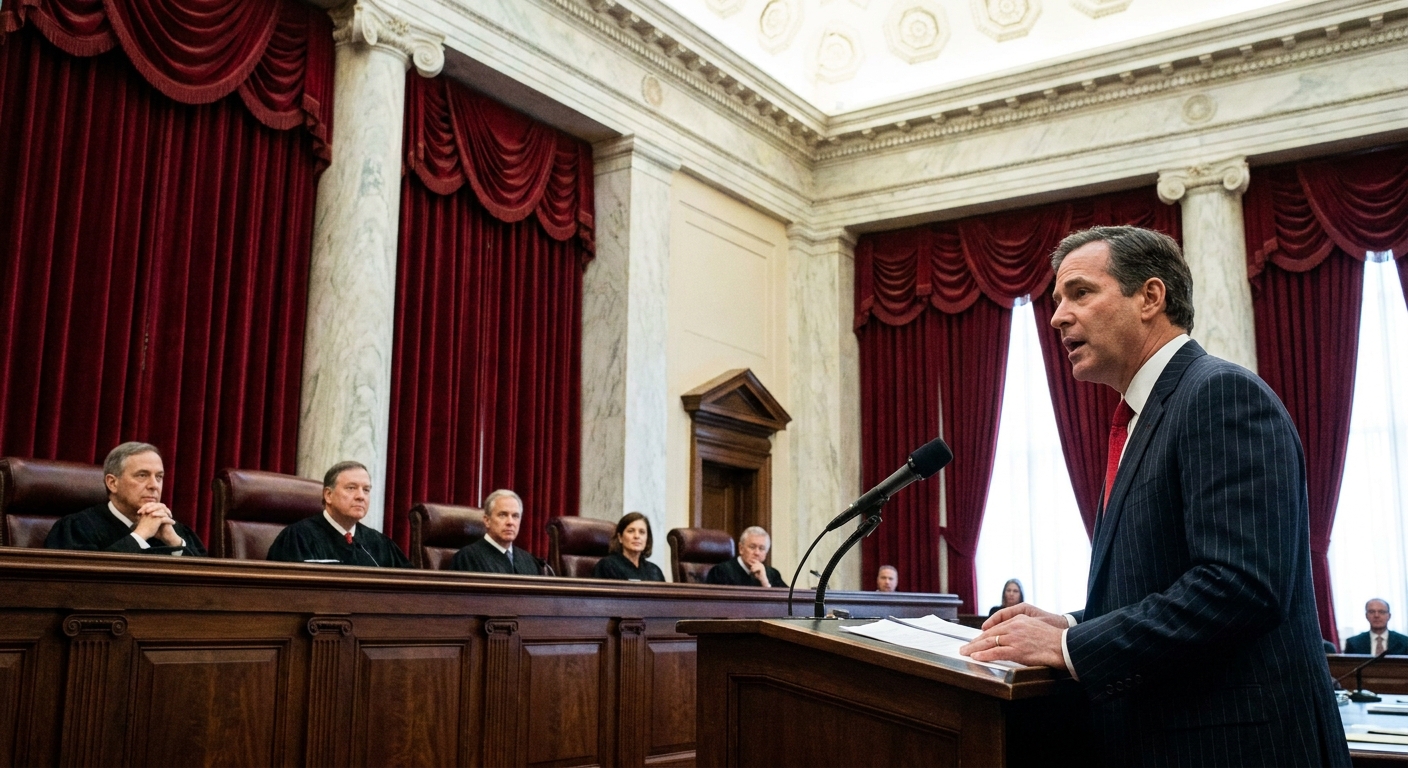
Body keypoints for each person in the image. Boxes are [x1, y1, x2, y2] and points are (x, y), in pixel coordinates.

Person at [959, 226, 1348, 766]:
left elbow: (1240, 586)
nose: (1057, 317)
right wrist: (1072, 624)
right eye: (1056, 301)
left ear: (1150, 297)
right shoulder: (1143, 419)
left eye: (1080, 292)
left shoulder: (1219, 395)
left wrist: (1070, 649)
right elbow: (1163, 583)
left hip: (1236, 747)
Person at [45, 442, 207, 556]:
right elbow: (84, 584)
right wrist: (140, 535)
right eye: (142, 475)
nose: (154, 485)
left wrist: (175, 543)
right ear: (112, 483)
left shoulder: (175, 531)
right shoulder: (78, 528)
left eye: (159, 477)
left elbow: (209, 587)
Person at [266, 461, 410, 567]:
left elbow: (412, 589)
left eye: (366, 490)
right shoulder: (298, 538)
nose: (361, 496)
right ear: (328, 495)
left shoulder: (380, 543)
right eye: (351, 488)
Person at [449, 489, 541, 575]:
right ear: (487, 520)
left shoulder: (529, 561)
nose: (510, 522)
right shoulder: (468, 558)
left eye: (515, 516)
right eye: (502, 515)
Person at [590, 512, 665, 581]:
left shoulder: (655, 571)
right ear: (620, 537)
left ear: (647, 538)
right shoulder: (607, 566)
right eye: (631, 531)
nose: (636, 536)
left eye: (642, 532)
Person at [705, 526, 786, 587]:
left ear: (766, 553)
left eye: (761, 548)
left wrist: (765, 583)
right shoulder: (721, 572)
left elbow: (788, 603)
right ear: (741, 548)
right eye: (752, 547)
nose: (757, 553)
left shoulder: (773, 574)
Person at [1343, 599, 1408, 655]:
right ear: (1366, 616)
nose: (1376, 615)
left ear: (1389, 616)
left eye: (1381, 612)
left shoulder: (1404, 642)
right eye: (1371, 612)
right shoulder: (1353, 643)